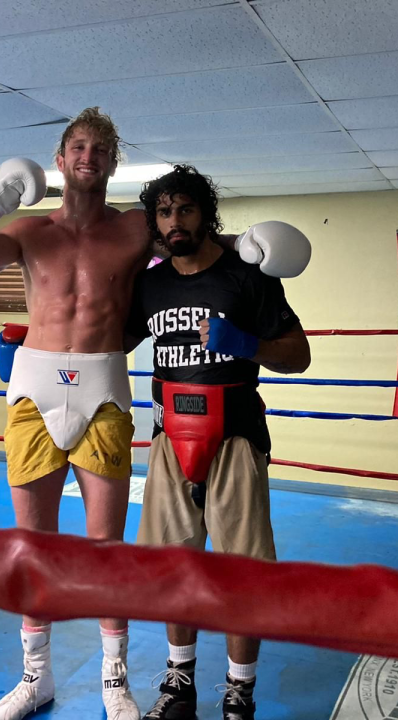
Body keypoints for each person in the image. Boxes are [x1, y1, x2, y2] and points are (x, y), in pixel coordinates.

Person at [0, 108, 310, 720]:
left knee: (108, 548)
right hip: (35, 392)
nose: (88, 156)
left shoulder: (137, 229)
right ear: (60, 159)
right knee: (33, 544)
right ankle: (35, 678)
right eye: (77, 145)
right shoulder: (28, 232)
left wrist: (252, 245)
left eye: (101, 148)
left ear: (113, 162)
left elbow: (198, 245)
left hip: (109, 394)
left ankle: (115, 680)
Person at [126, 165, 311, 720]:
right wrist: (40, 352)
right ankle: (179, 683)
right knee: (172, 566)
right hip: (167, 440)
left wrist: (247, 343)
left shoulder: (246, 277)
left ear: (205, 214)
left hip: (235, 439)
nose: (174, 221)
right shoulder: (151, 283)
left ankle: (238, 690)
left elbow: (298, 356)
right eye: (163, 211)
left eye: (184, 209)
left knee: (241, 571)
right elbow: (107, 342)